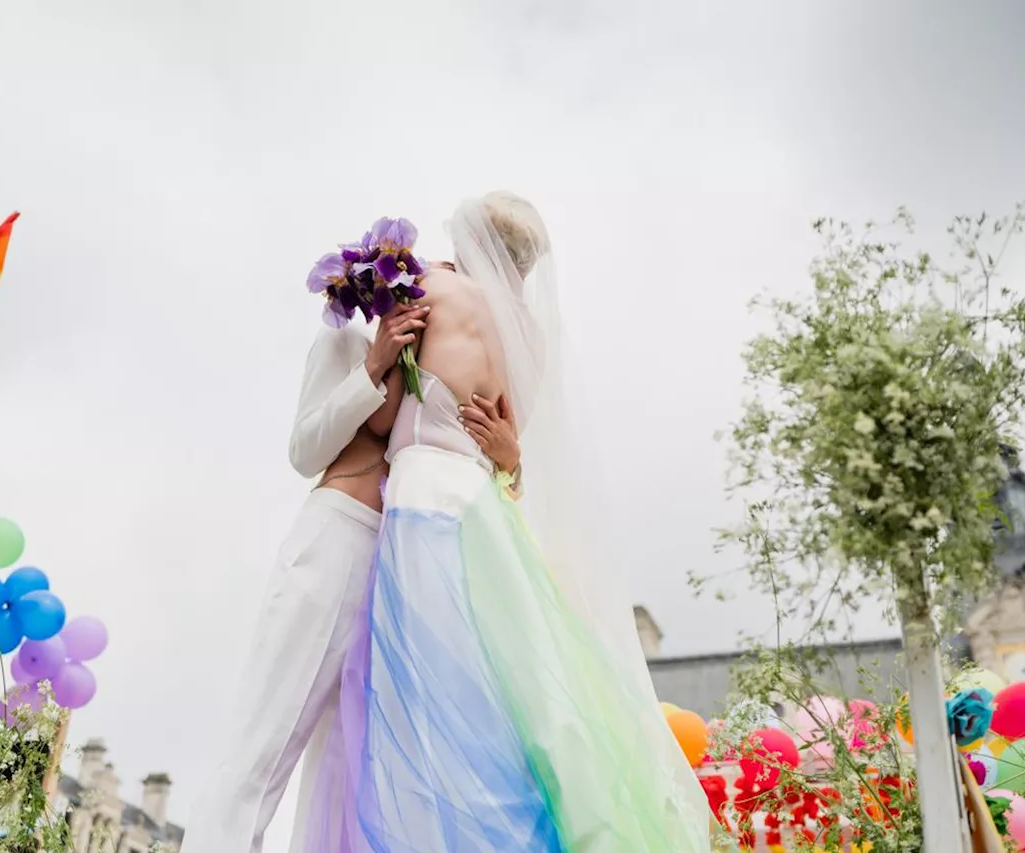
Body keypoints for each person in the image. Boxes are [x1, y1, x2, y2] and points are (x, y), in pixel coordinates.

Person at [294, 192, 712, 852]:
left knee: (428, 695)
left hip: (423, 500)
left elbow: (381, 419)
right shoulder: (530, 337)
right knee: (500, 696)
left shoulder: (431, 289)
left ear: (474, 240)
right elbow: (510, 444)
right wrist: (508, 460)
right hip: (487, 511)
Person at [182, 294, 523, 853]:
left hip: (396, 572)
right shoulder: (345, 340)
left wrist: (510, 460)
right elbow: (304, 448)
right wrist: (373, 365)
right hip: (335, 540)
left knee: (346, 770)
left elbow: (487, 484)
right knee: (262, 744)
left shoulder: (447, 356)